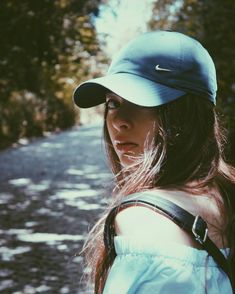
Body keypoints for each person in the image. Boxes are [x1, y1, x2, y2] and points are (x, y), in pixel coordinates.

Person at [73, 31, 235, 293]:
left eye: (140, 101)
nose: (118, 121)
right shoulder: (225, 192)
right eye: (113, 103)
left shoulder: (144, 224)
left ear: (187, 115)